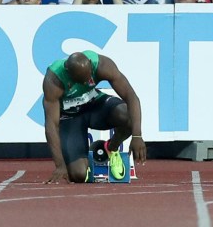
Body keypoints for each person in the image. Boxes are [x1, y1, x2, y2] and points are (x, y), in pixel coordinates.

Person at [43, 51, 146, 183]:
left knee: (127, 115)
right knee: (78, 175)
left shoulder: (102, 65)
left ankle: (111, 148)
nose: (86, 82)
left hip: (94, 105)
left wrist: (137, 135)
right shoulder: (54, 80)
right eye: (80, 82)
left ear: (91, 66)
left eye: (88, 79)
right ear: (68, 73)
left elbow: (131, 97)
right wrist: (60, 165)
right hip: (70, 116)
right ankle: (83, 163)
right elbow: (51, 124)